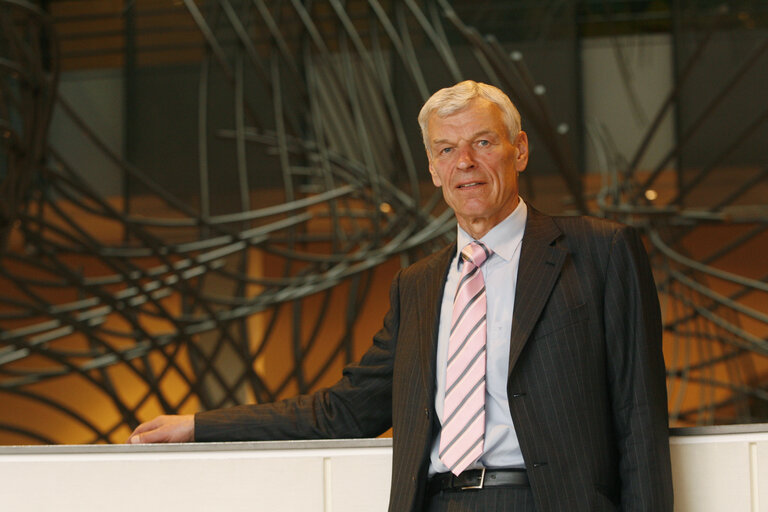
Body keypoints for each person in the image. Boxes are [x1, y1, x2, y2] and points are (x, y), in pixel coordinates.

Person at [128, 80, 673, 511]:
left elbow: (639, 417)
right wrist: (200, 427)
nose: (465, 162)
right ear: (433, 170)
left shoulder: (600, 252)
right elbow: (345, 411)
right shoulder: (417, 286)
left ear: (519, 150)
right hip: (436, 502)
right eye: (446, 149)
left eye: (483, 142)